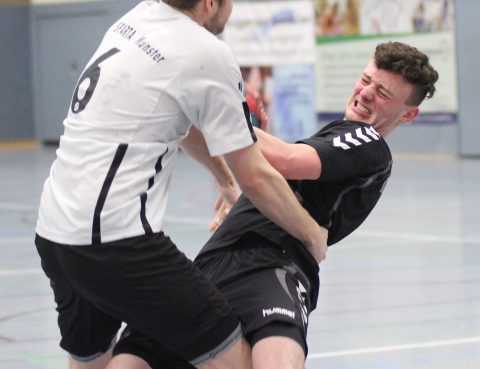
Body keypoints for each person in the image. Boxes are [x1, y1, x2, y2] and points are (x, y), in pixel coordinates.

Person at [34, 0, 328, 369]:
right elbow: (259, 175)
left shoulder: (133, 20)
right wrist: (311, 233)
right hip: (116, 242)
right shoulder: (205, 50)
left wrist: (222, 177)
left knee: (92, 360)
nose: (229, 8)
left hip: (56, 233)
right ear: (211, 1)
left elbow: (176, 120)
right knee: (233, 358)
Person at [110, 41, 439, 369]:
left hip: (272, 264)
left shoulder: (368, 142)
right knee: (130, 357)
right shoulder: (336, 141)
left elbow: (283, 159)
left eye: (382, 92)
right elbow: (263, 165)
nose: (366, 93)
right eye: (366, 80)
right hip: (216, 258)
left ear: (408, 114)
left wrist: (222, 112)